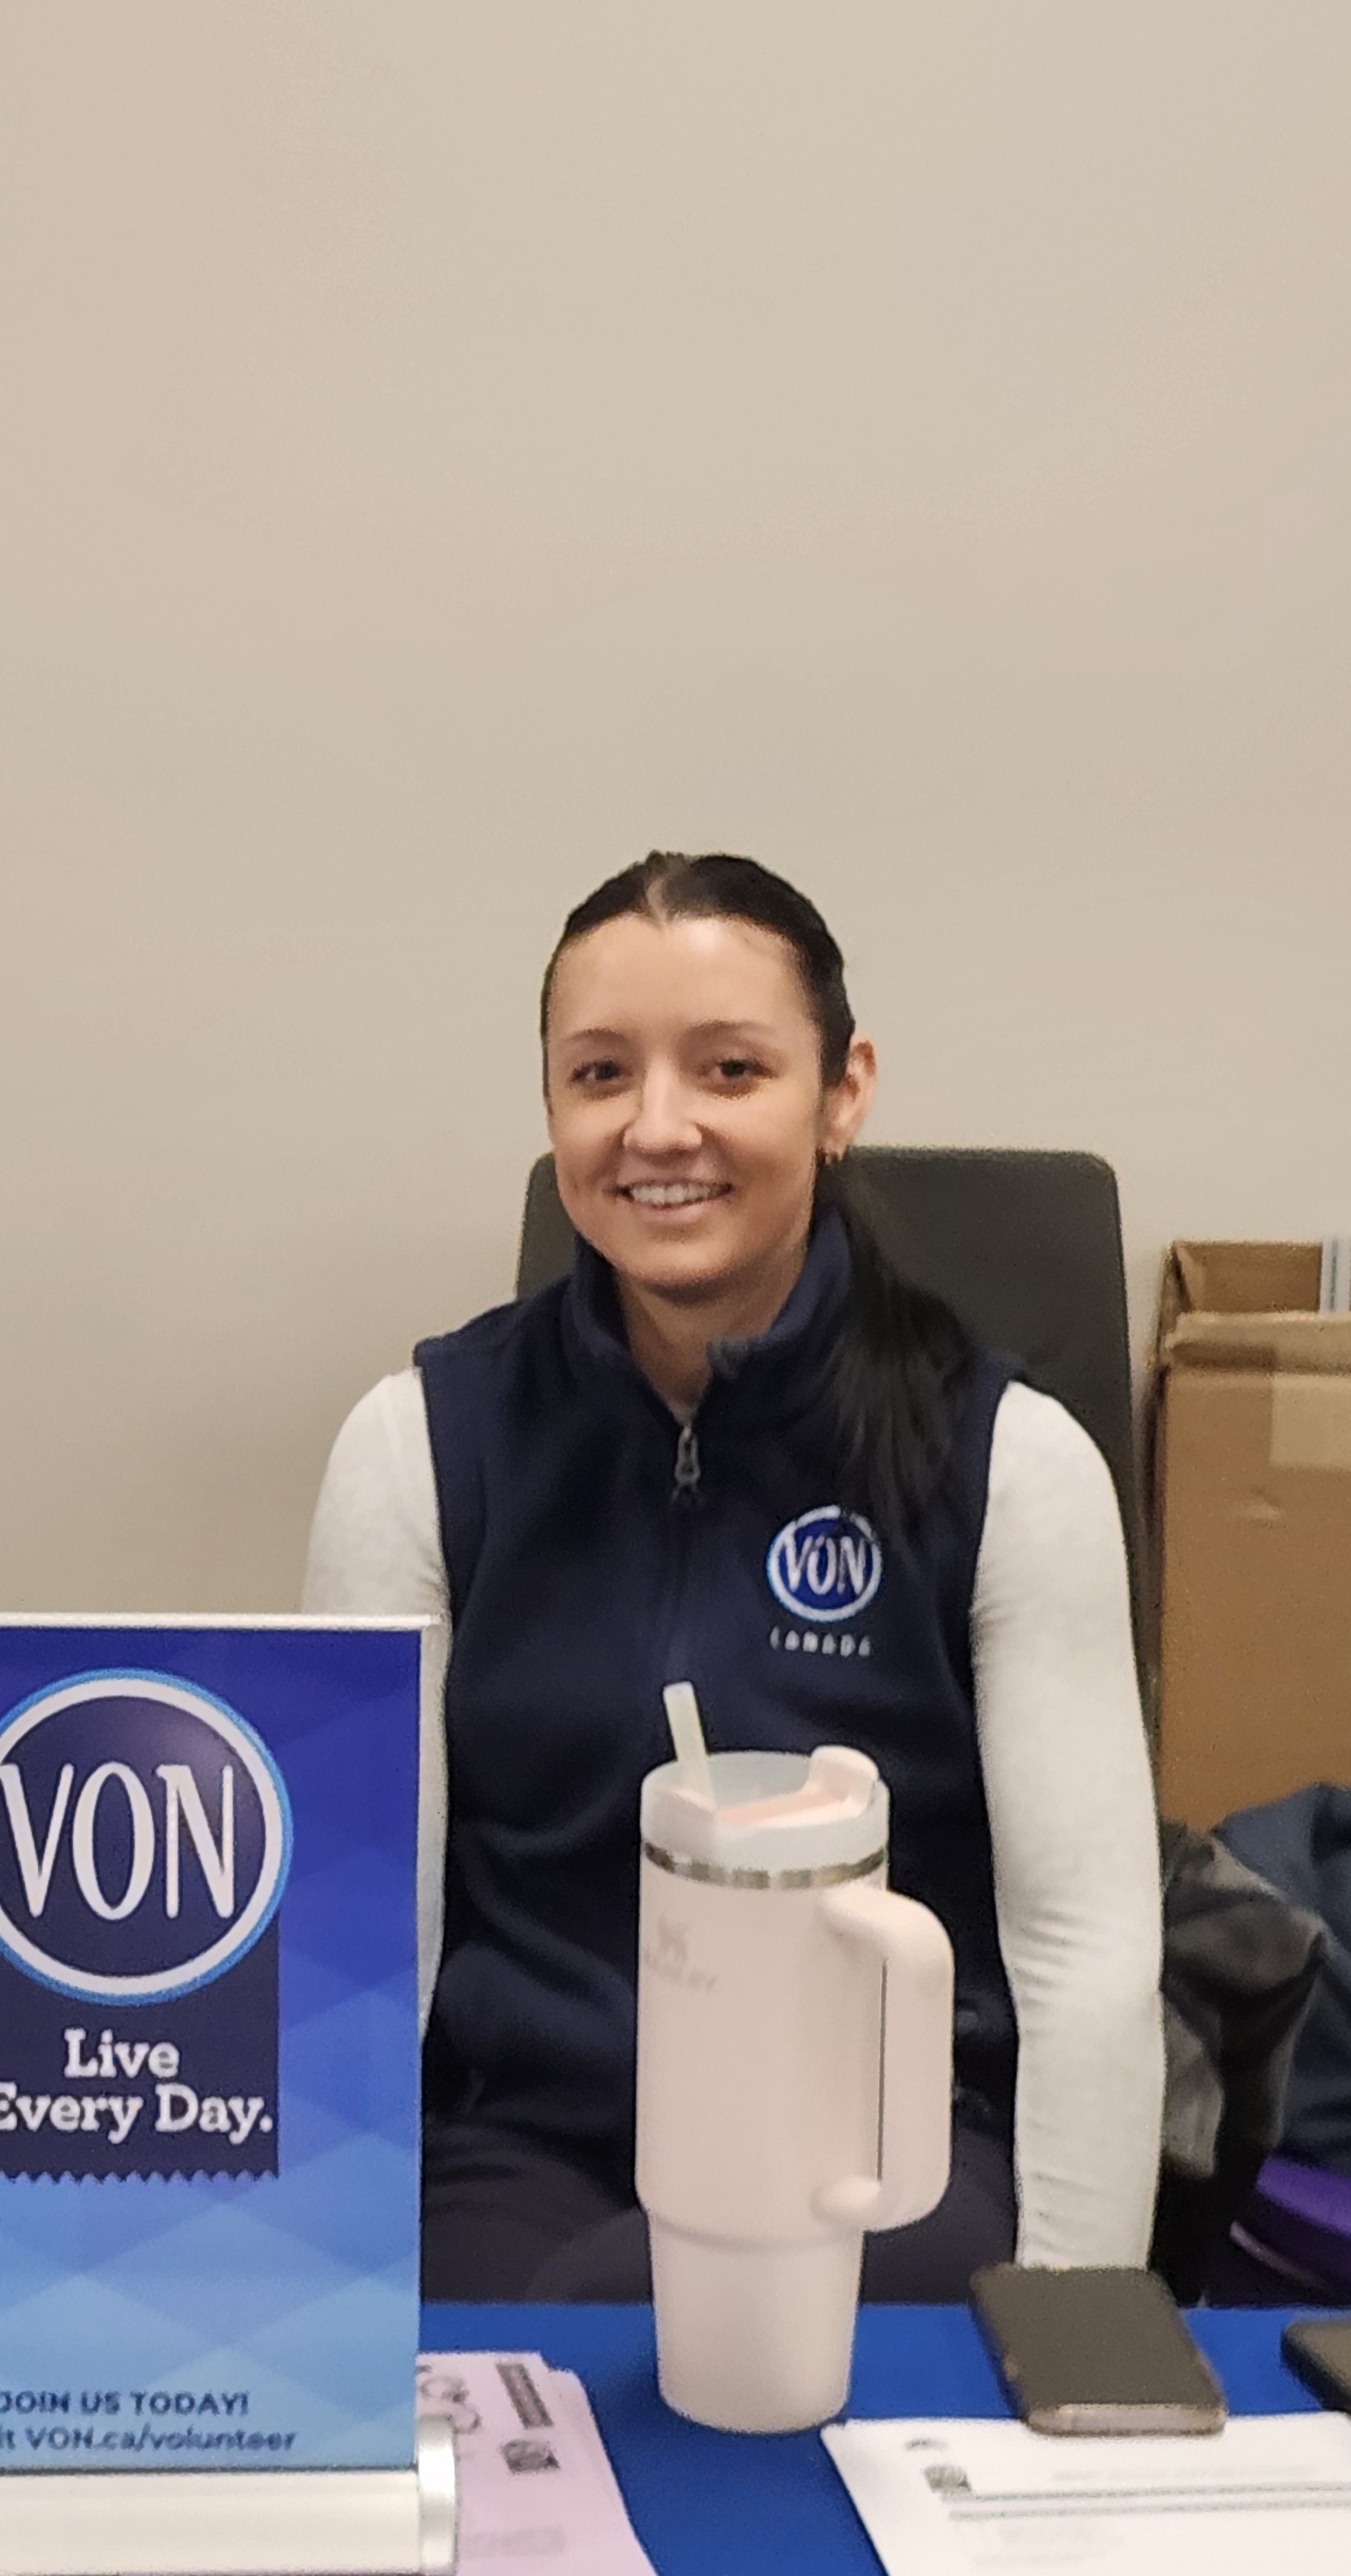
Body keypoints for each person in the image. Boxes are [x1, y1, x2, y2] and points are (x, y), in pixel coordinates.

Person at [303, 852, 1161, 2303]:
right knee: (518, 2346)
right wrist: (322, 2290)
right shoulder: (419, 1450)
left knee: (645, 2321)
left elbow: (1087, 1961)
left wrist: (1073, 2328)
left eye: (730, 1069)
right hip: (525, 2153)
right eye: (600, 1074)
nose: (658, 1128)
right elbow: (358, 1940)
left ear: (841, 1093)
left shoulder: (1011, 1463)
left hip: (880, 2159)